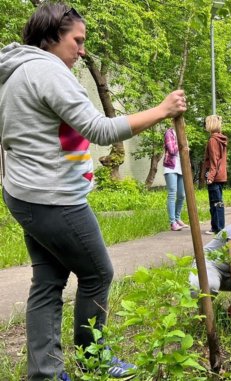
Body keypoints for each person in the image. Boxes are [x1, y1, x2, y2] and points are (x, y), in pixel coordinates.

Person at [0, 4, 187, 380]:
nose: (82, 50)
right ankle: (93, 358)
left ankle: (44, 373)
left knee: (48, 280)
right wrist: (162, 110)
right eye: (77, 40)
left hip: (24, 193)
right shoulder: (47, 71)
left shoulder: (16, 71)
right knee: (98, 273)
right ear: (52, 36)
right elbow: (99, 130)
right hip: (53, 198)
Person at [202, 115, 228, 235]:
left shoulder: (213, 140)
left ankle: (218, 228)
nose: (205, 125)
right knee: (218, 202)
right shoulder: (220, 139)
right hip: (221, 175)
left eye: (206, 123)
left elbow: (214, 160)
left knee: (215, 202)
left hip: (214, 176)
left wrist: (210, 177)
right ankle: (217, 227)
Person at [163, 126, 187, 231]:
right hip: (170, 167)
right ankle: (172, 222)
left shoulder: (182, 134)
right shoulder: (169, 133)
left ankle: (177, 218)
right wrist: (182, 145)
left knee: (182, 195)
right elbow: (172, 150)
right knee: (172, 193)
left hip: (181, 168)